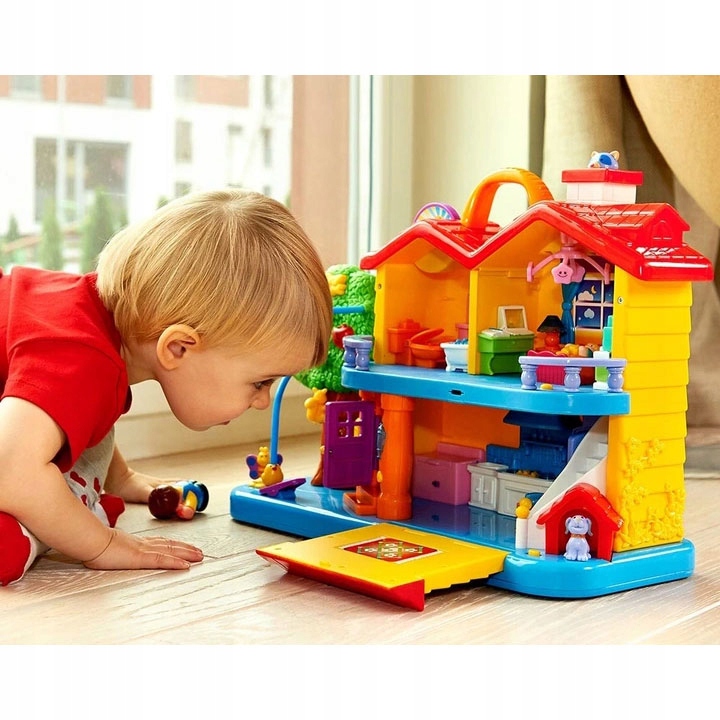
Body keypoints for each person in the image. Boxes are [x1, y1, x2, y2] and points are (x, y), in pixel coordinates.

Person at [0, 189, 334, 586]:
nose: (263, 401)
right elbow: (11, 469)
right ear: (178, 347)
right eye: (261, 382)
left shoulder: (91, 329)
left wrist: (120, 478)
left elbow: (73, 413)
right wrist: (103, 545)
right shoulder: (79, 356)